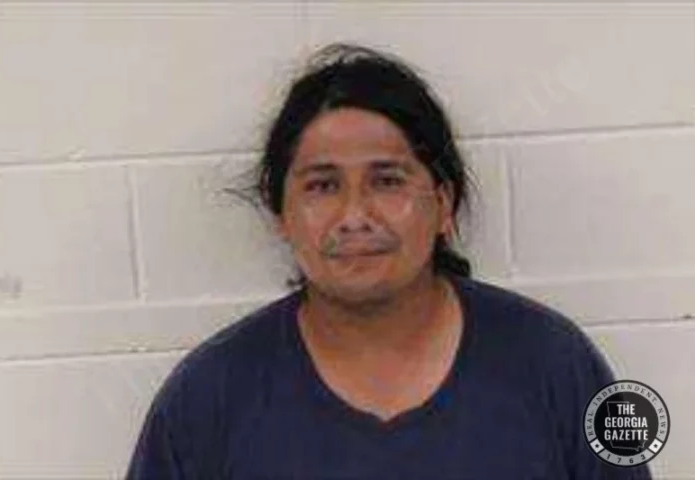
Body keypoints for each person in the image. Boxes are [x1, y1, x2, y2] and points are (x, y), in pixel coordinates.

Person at [126, 43, 651, 479]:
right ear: (281, 213)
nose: (354, 215)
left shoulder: (554, 365)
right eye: (322, 186)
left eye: (387, 181)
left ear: (443, 204)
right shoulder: (208, 399)